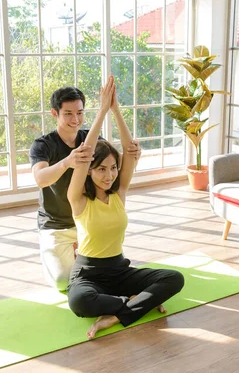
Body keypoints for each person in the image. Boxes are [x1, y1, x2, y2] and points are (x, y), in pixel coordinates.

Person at [66, 76, 185, 339]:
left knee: (174, 278)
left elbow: (131, 151)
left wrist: (116, 110)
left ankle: (118, 313)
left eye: (112, 168)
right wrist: (101, 111)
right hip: (88, 273)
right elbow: (85, 152)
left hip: (119, 269)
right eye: (100, 170)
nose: (108, 175)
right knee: (79, 302)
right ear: (89, 172)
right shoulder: (79, 199)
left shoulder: (119, 192)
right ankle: (134, 303)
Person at [29, 85, 140, 291]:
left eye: (79, 113)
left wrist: (132, 152)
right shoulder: (43, 144)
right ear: (55, 113)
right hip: (58, 225)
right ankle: (64, 255)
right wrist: (66, 162)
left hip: (89, 222)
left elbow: (119, 163)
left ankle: (82, 257)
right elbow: (40, 178)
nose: (76, 120)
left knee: (99, 274)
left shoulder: (94, 140)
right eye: (68, 114)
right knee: (63, 281)